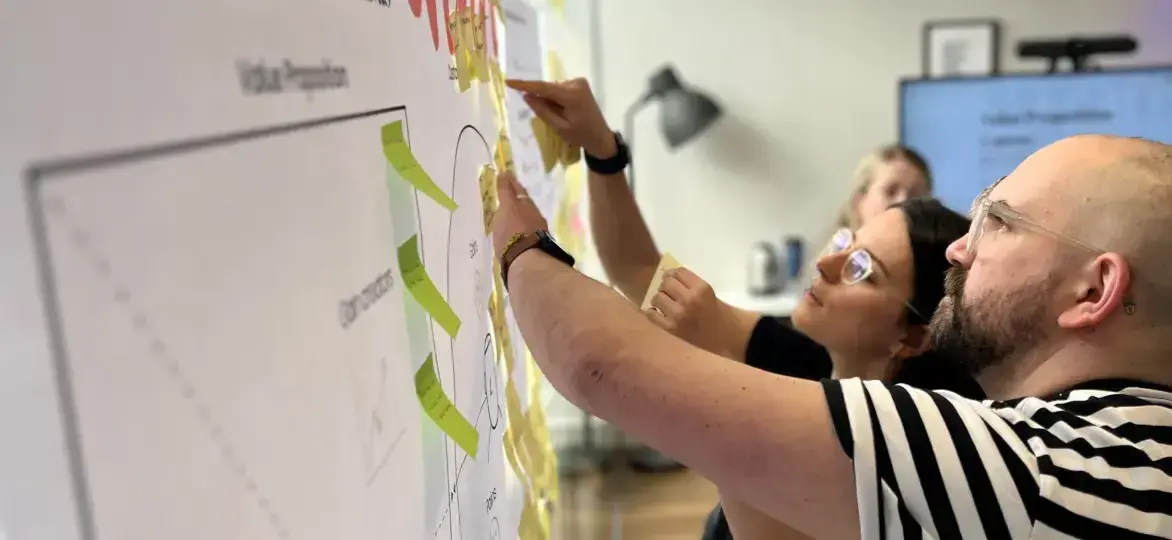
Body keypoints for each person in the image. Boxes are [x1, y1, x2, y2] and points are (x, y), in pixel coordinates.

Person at [496, 76, 1172, 539]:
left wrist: (518, 241)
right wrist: (606, 156)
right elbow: (640, 280)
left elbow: (597, 362)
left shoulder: (1022, 464)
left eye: (1000, 222)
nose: (964, 252)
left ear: (1093, 292)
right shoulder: (1132, 451)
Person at [529, 78, 971, 538]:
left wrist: (717, 372)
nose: (824, 263)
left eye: (861, 268)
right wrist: (603, 153)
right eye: (846, 243)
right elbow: (639, 270)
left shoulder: (891, 462)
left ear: (914, 337)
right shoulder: (806, 357)